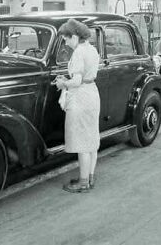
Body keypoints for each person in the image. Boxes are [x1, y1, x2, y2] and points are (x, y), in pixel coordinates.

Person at [55, 19, 101, 193]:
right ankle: (89, 177)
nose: (65, 43)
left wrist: (62, 83)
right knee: (91, 140)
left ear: (74, 36)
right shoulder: (92, 50)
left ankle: (82, 184)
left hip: (81, 97)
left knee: (82, 143)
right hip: (92, 94)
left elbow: (77, 80)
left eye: (66, 39)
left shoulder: (79, 53)